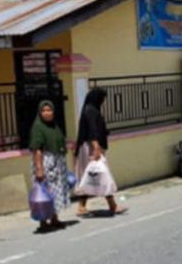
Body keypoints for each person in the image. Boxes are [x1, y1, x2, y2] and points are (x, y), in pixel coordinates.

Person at [73, 87, 127, 216]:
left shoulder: (90, 109)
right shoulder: (91, 111)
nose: (103, 101)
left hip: (90, 147)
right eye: (102, 98)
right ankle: (112, 205)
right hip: (91, 148)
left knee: (91, 176)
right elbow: (92, 131)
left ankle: (82, 206)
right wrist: (96, 149)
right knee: (100, 175)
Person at [28, 99, 70, 233]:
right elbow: (37, 149)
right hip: (45, 163)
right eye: (44, 111)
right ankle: (43, 221)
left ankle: (54, 218)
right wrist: (39, 169)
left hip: (56, 163)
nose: (47, 113)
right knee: (45, 192)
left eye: (49, 110)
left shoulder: (54, 126)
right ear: (40, 113)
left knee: (55, 192)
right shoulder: (38, 127)